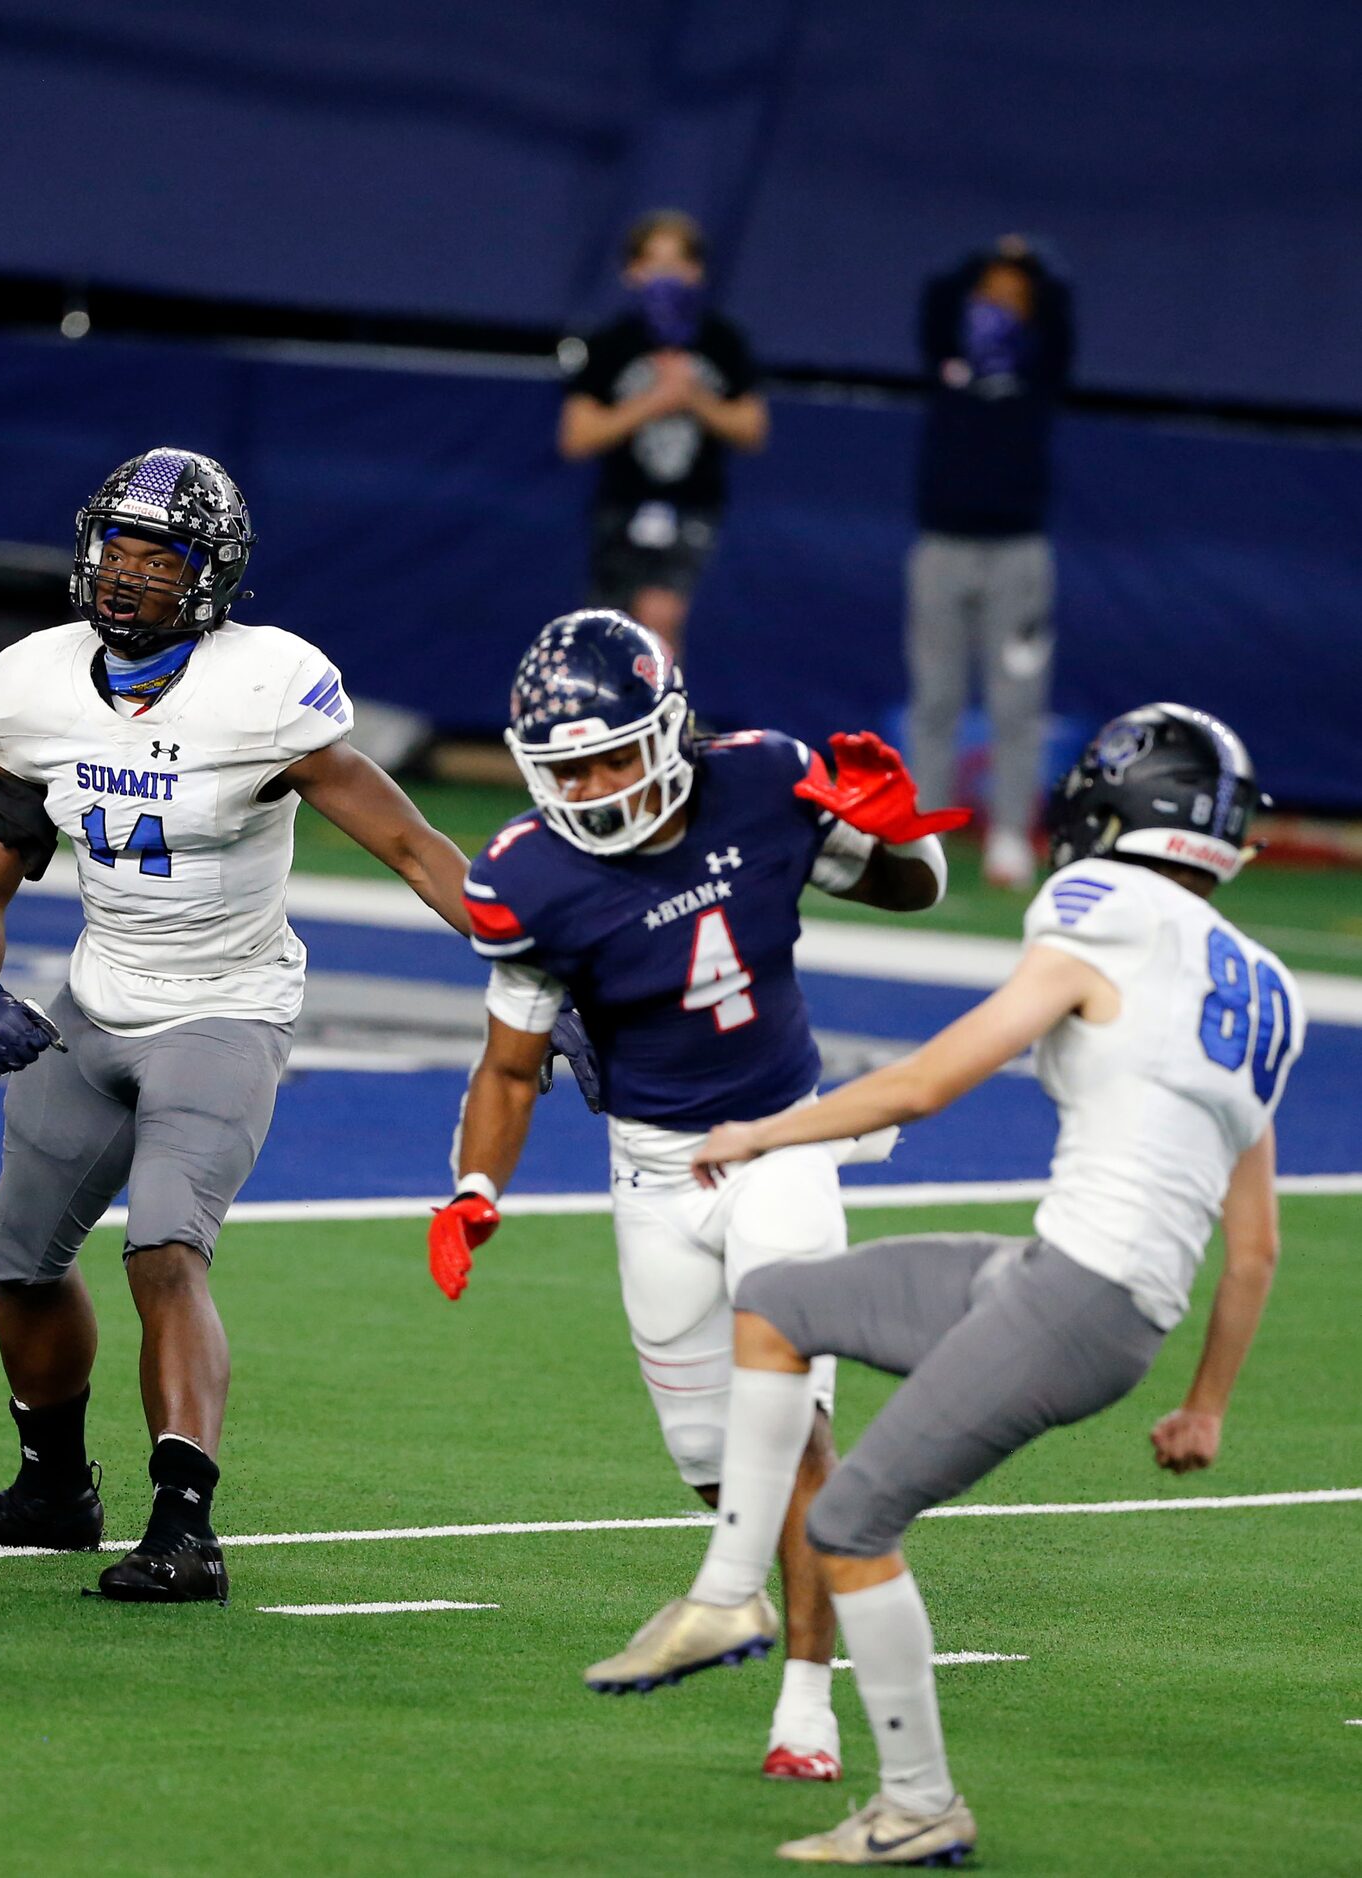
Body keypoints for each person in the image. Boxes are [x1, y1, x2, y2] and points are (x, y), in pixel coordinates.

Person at [592, 704, 1300, 1866]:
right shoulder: (1262, 985)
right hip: (1078, 1290)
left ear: (1112, 806)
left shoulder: (1097, 908)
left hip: (1071, 1300)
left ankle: (916, 1802)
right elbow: (1256, 1243)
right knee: (781, 1298)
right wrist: (1204, 1404)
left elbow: (928, 1085)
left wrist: (770, 1130)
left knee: (852, 1516)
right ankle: (727, 1590)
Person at [0, 448, 473, 1602]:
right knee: (19, 1257)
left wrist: (532, 964)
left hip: (223, 1008)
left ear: (209, 577)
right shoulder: (36, 685)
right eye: (116, 546)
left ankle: (183, 1526)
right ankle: (53, 1490)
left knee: (164, 1245)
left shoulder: (263, 691)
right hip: (95, 1003)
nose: (126, 575)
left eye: (159, 556)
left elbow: (413, 846)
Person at [431, 610, 963, 1781]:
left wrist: (899, 829)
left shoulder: (763, 782)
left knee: (790, 1397)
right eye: (568, 766)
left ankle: (799, 1702)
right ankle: (739, 1591)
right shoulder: (525, 876)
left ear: (669, 726)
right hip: (654, 1169)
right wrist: (474, 1185)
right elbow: (509, 1065)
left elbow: (910, 888)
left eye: (615, 753)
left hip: (782, 1137)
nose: (596, 783)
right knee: (713, 1454)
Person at [905, 236, 1076, 890]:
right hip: (941, 548)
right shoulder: (947, 362)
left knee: (1017, 702)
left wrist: (1031, 262)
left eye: (1015, 297)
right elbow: (935, 296)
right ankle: (926, 832)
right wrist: (983, 256)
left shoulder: (1039, 372)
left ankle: (1009, 834)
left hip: (1018, 556)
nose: (1001, 304)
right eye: (991, 294)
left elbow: (1061, 312)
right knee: (936, 696)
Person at [558, 210, 768, 657]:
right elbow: (576, 437)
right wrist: (650, 403)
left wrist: (694, 398)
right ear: (631, 272)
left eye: (676, 265)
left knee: (661, 615)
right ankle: (614, 722)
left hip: (693, 507)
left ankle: (664, 720)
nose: (665, 278)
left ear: (697, 272)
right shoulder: (611, 344)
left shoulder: (721, 341)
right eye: (653, 264)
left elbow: (752, 429)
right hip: (621, 504)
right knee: (611, 629)